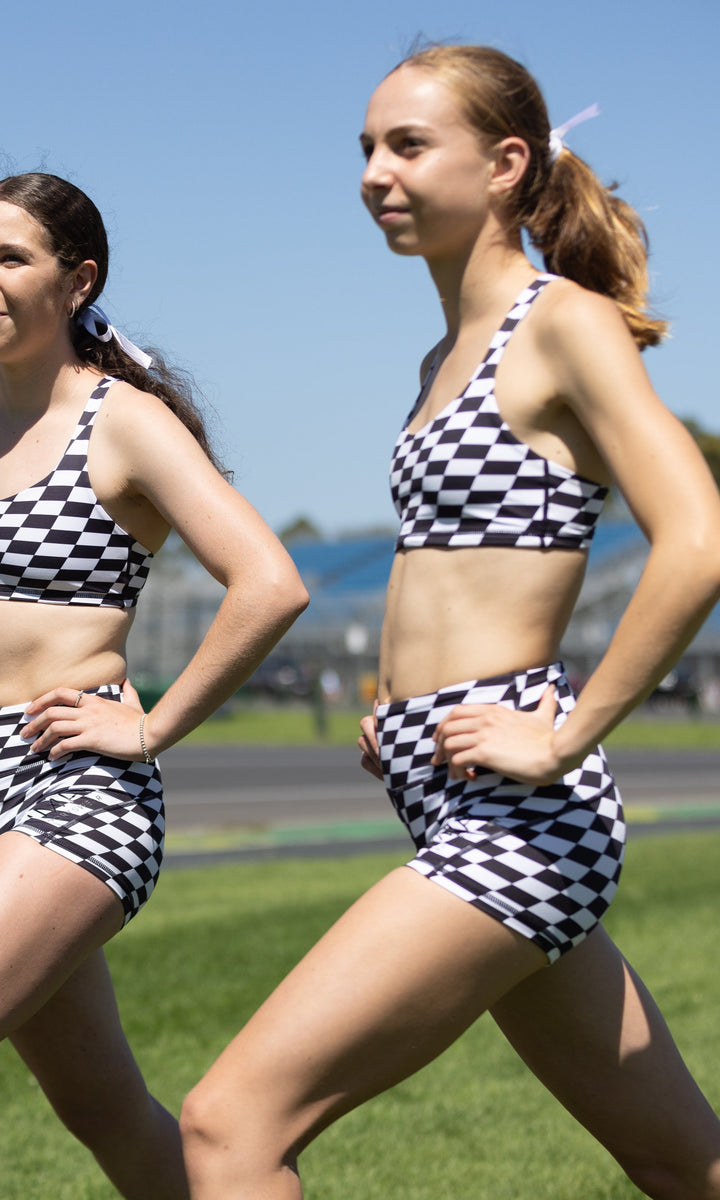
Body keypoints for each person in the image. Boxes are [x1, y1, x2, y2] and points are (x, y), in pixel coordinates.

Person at [180, 44, 720, 1199]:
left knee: (230, 1127)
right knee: (685, 1162)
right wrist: (401, 711)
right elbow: (461, 563)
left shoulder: (562, 323)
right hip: (445, 790)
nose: (376, 172)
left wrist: (564, 735)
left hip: (526, 813)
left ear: (505, 164)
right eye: (367, 148)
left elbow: (699, 539)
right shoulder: (441, 358)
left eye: (408, 145)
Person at [0, 171, 309, 1199]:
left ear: (77, 281)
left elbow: (268, 585)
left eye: (10, 258)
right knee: (103, 1108)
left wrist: (151, 731)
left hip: (77, 791)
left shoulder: (126, 423)